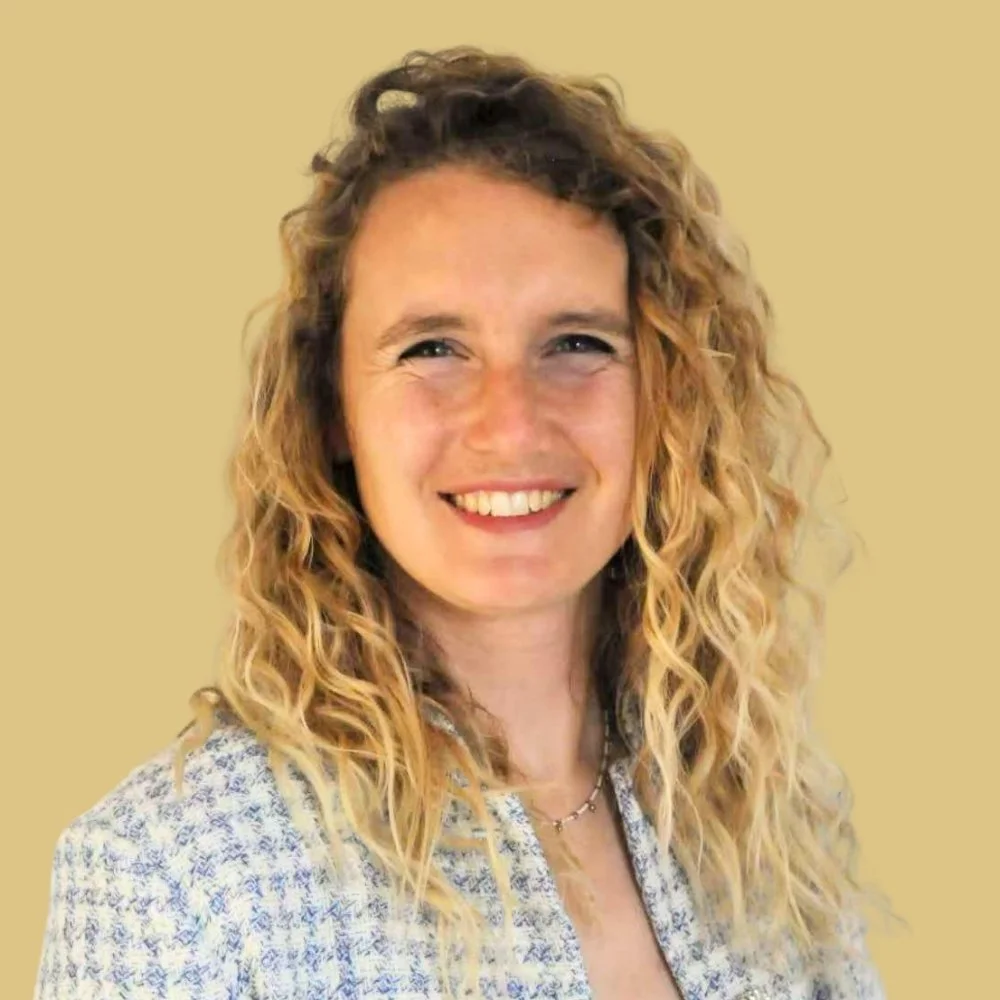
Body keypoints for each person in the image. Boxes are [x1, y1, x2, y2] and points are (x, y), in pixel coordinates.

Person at [33, 45, 898, 1000]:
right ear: (331, 409)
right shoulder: (171, 878)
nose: (511, 422)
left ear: (668, 392)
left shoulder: (763, 821)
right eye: (432, 348)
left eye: (576, 343)